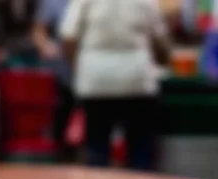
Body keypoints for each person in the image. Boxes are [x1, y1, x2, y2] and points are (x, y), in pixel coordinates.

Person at [59, 0, 171, 170]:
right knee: (140, 151)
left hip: (96, 80)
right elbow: (160, 41)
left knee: (97, 148)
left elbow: (68, 37)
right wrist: (162, 60)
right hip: (137, 81)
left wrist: (79, 68)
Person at [32, 0, 74, 159]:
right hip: (60, 66)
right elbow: (38, 31)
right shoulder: (53, 3)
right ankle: (58, 150)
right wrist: (46, 46)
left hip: (87, 65)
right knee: (61, 108)